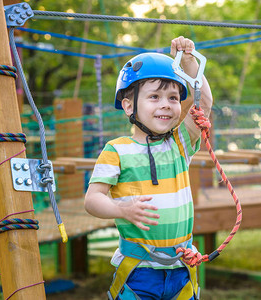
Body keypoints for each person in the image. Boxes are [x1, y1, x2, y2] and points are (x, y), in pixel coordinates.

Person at [84, 36, 213, 300]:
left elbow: (205, 103)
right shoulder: (116, 150)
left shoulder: (180, 143)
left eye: (173, 97)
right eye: (154, 97)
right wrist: (122, 210)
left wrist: (188, 61)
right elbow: (93, 199)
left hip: (181, 267)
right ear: (129, 105)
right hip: (138, 271)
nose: (166, 104)